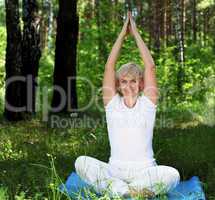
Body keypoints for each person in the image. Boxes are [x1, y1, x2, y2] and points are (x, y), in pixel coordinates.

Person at [74, 12, 180, 198]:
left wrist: (136, 33)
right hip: (115, 171)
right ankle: (127, 192)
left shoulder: (147, 104)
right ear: (118, 85)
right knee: (81, 162)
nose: (128, 85)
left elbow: (150, 67)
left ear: (140, 84)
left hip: (145, 172)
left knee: (173, 175)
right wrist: (122, 34)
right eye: (123, 81)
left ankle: (123, 192)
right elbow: (109, 67)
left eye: (133, 81)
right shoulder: (112, 104)